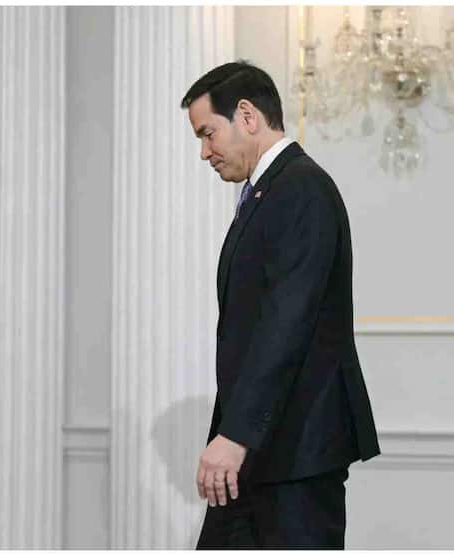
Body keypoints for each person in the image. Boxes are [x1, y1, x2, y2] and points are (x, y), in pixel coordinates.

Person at [181, 61, 380, 549]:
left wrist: (236, 436)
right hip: (264, 449)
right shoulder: (268, 191)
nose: (204, 152)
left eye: (208, 134)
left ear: (247, 116)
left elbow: (286, 321)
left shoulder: (301, 188)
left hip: (295, 452)